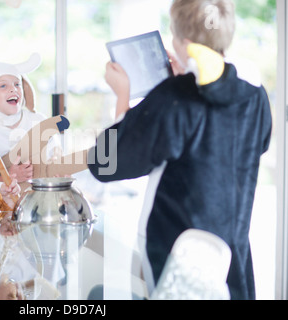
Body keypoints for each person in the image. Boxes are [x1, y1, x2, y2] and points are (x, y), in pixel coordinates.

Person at [88, 0, 272, 300]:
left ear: (182, 41)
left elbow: (106, 164)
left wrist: (122, 97)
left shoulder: (175, 97)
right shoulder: (254, 95)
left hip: (178, 253)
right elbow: (257, 143)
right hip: (232, 251)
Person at [0, 43, 61, 186]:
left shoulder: (38, 121)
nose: (13, 89)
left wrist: (56, 166)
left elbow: (57, 153)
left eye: (17, 84)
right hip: (3, 204)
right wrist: (10, 176)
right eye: (3, 85)